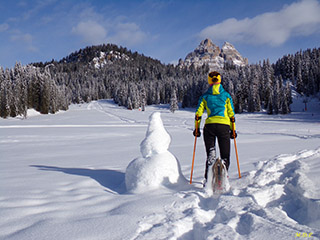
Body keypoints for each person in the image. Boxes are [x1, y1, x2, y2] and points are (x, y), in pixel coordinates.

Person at [193, 71, 237, 184]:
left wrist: (196, 128)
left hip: (209, 127)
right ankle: (223, 177)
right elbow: (231, 114)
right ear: (219, 80)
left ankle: (208, 180)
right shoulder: (226, 95)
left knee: (210, 155)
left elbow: (198, 114)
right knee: (225, 155)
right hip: (224, 127)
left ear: (209, 81)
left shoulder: (205, 96)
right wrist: (233, 130)